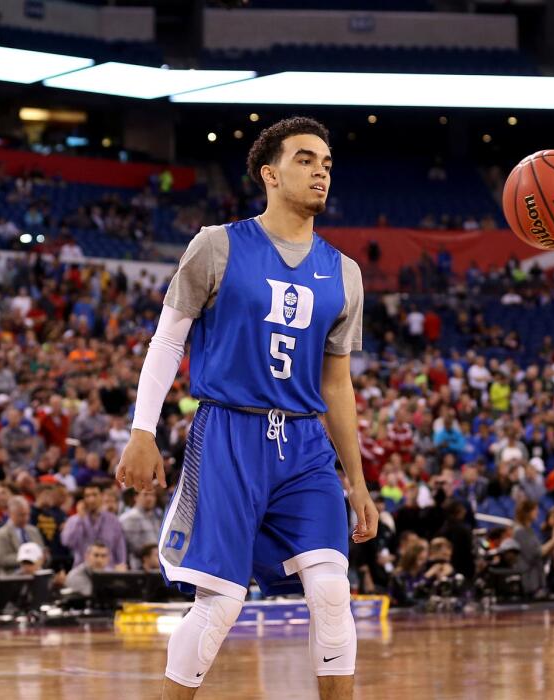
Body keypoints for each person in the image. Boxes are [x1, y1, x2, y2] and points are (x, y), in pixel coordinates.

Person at [116, 117, 376, 700]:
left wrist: (356, 481)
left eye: (327, 164)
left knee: (333, 588)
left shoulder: (345, 274)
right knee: (223, 601)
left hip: (306, 446)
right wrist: (142, 430)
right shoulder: (218, 244)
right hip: (229, 433)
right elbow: (167, 340)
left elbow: (337, 385)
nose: (320, 172)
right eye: (306, 160)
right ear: (270, 173)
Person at [0, 496, 46, 574]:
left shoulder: (34, 531)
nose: (26, 518)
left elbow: (41, 554)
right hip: (13, 577)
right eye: (21, 515)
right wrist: (28, 559)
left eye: (27, 514)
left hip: (37, 574)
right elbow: (0, 559)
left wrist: (44, 557)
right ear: (10, 514)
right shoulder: (0, 535)